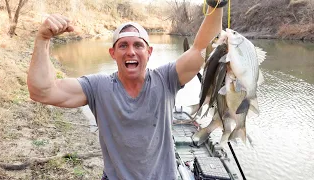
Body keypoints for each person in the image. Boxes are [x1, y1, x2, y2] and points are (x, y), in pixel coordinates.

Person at [27, 1, 227, 179]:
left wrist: (216, 5)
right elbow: (42, 91)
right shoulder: (98, 87)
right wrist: (43, 39)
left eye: (138, 45)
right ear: (113, 53)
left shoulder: (166, 79)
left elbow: (201, 49)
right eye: (123, 45)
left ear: (149, 52)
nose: (131, 51)